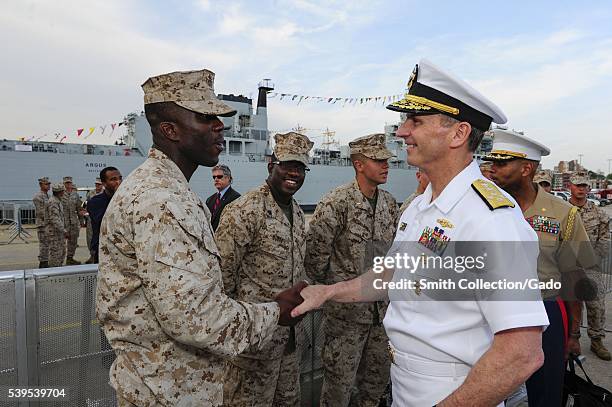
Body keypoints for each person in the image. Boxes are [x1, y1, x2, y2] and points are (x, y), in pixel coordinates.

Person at [291, 59, 549, 406]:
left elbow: (521, 354)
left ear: (458, 133)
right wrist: (328, 292)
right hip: (405, 386)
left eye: (416, 121)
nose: (401, 132)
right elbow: (391, 275)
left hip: (458, 391)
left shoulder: (491, 219)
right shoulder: (419, 207)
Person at [95, 68, 306, 407]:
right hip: (166, 392)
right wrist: (275, 311)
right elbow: (195, 318)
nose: (219, 126)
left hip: (175, 385)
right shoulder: (161, 199)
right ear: (170, 130)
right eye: (206, 118)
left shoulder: (171, 190)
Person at [485, 129, 598, 406]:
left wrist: (572, 334)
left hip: (545, 312)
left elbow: (574, 277)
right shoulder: (483, 206)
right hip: (489, 311)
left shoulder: (563, 214)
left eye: (502, 163)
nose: (493, 169)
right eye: (493, 162)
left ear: (526, 168)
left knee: (545, 393)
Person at [216, 131, 313, 406]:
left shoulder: (294, 210)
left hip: (289, 340)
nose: (294, 173)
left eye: (300, 168)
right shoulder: (244, 211)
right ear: (272, 165)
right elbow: (222, 278)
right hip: (253, 344)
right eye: (287, 165)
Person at [305, 133, 399, 406]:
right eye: (378, 160)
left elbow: (394, 254)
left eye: (386, 160)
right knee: (338, 388)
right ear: (359, 164)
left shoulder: (390, 204)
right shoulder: (336, 203)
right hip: (345, 319)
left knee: (375, 385)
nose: (386, 165)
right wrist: (336, 293)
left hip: (381, 317)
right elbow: (315, 260)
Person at [568, 172, 611, 360]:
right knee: (570, 305)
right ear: (571, 186)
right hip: (566, 267)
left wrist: (594, 258)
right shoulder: (561, 209)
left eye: (584, 186)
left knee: (596, 305)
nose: (581, 189)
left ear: (588, 188)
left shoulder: (597, 212)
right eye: (578, 185)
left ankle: (596, 340)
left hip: (590, 265)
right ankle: (570, 339)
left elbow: (605, 237)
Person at [88, 167, 122, 263]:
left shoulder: (125, 199)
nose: (118, 182)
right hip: (103, 250)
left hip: (121, 250)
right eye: (113, 179)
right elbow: (104, 220)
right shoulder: (95, 202)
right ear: (104, 183)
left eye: (120, 178)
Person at [205, 164, 241, 231]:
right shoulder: (209, 200)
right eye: (214, 177)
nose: (216, 179)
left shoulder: (236, 198)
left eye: (219, 176)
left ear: (228, 178)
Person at [61, 176, 84, 265]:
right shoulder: (61, 194)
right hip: (63, 222)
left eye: (69, 183)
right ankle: (58, 260)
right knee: (61, 242)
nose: (68, 185)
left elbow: (79, 208)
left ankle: (70, 258)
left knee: (73, 241)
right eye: (66, 183)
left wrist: (81, 221)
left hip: (74, 222)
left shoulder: (75, 195)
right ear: (64, 184)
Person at [45, 183, 67, 267]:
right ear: (59, 192)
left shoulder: (57, 201)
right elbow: (55, 219)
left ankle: (58, 268)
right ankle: (53, 270)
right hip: (54, 233)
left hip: (58, 232)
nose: (63, 193)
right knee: (55, 253)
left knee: (61, 252)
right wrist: (64, 230)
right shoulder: (53, 202)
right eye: (62, 191)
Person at [84, 178, 104, 263]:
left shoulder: (105, 193)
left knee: (100, 237)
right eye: (96, 184)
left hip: (101, 219)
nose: (97, 186)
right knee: (90, 237)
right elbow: (86, 204)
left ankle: (100, 256)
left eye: (99, 184)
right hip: (91, 219)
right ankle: (92, 255)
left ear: (102, 185)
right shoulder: (90, 193)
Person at [33, 177, 51, 268]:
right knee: (44, 244)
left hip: (47, 224)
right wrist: (51, 218)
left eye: (49, 184)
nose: (48, 186)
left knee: (48, 244)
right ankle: (43, 263)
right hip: (42, 224)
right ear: (41, 185)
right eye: (46, 184)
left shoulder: (47, 195)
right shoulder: (38, 197)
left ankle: (46, 261)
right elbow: (41, 212)